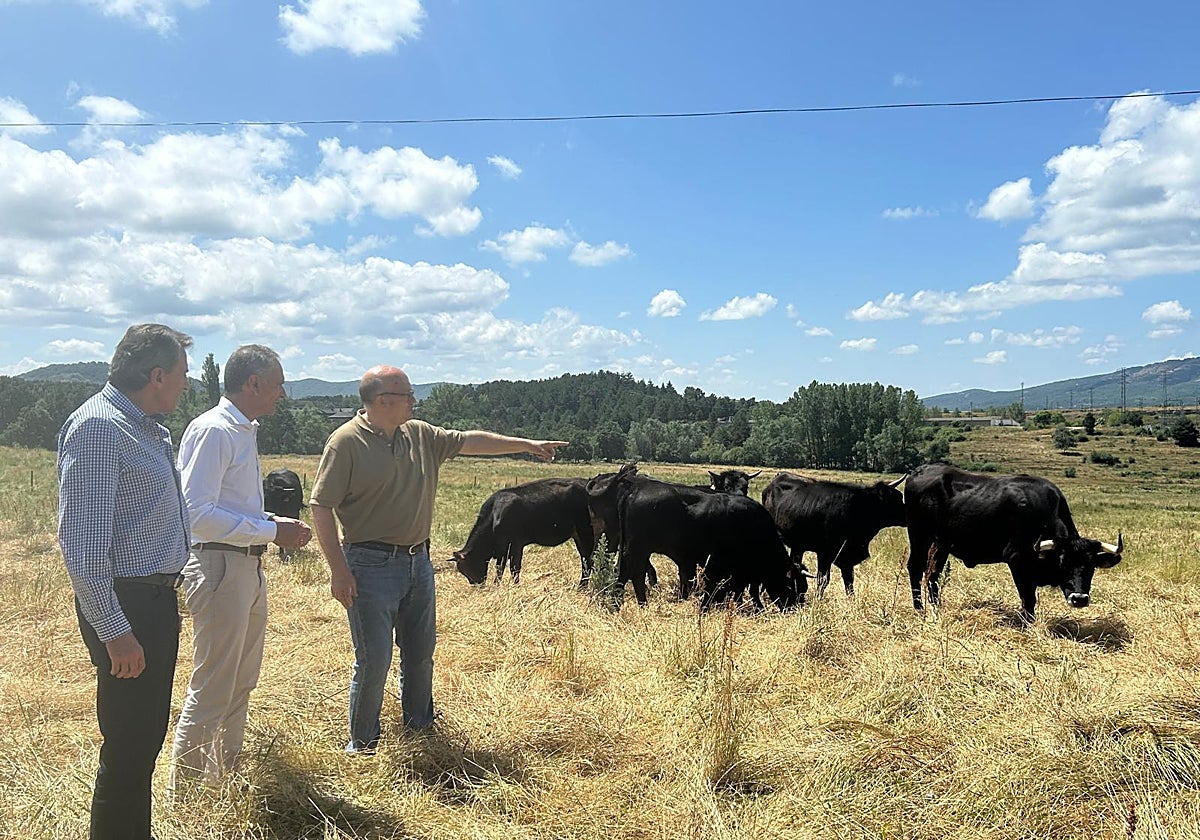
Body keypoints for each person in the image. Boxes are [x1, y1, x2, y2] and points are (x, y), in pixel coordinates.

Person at [309, 365, 566, 753]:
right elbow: (321, 506)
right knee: (374, 661)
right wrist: (338, 570)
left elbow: (471, 441)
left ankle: (420, 732)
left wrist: (526, 445)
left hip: (419, 562)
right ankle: (362, 744)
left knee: (420, 654)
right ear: (382, 401)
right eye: (407, 395)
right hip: (369, 564)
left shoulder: (420, 434)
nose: (414, 400)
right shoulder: (345, 443)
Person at [57, 323, 194, 840]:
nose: (185, 384)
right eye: (180, 375)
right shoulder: (99, 427)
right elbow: (83, 548)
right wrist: (116, 631)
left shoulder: (144, 428)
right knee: (129, 745)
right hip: (129, 605)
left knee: (142, 743)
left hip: (152, 601)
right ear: (156, 375)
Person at [169, 345, 312, 793]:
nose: (283, 393)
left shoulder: (240, 430)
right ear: (253, 384)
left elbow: (230, 508)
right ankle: (188, 797)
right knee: (213, 685)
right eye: (277, 384)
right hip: (219, 566)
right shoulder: (214, 430)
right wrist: (271, 532)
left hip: (243, 566)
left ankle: (225, 782)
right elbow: (195, 513)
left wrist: (270, 523)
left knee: (241, 681)